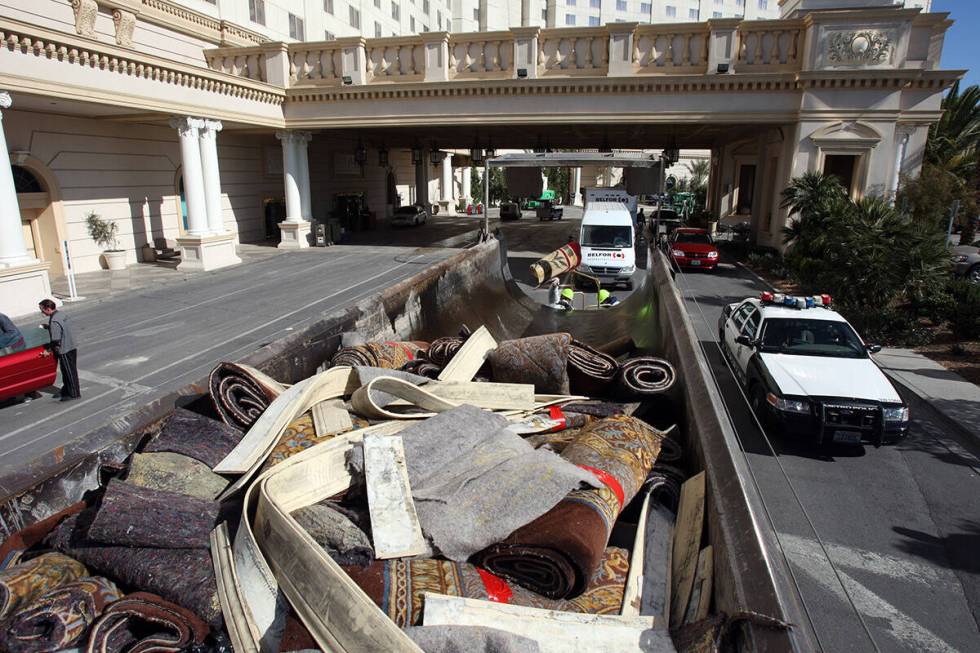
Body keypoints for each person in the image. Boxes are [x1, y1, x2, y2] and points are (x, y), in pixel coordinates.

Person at [38, 299, 80, 401]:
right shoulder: (61, 315)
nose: (41, 312)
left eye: (42, 309)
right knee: (66, 371)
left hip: (65, 349)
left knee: (69, 372)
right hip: (72, 346)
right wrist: (48, 327)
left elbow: (56, 340)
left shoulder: (54, 321)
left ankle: (73, 394)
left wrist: (47, 350)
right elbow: (62, 329)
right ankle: (66, 390)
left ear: (48, 309)